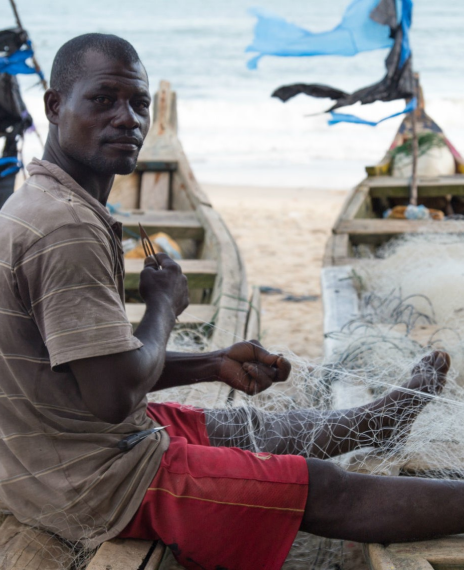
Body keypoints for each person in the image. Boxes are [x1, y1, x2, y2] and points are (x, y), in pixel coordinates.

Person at [0, 33, 460, 570]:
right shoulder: (65, 228)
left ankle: (375, 421)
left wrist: (212, 363)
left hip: (56, 448)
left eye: (139, 104)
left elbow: (90, 369)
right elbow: (111, 394)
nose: (128, 119)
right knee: (324, 488)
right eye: (103, 99)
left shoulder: (43, 199)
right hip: (91, 480)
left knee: (248, 430)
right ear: (55, 106)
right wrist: (164, 305)